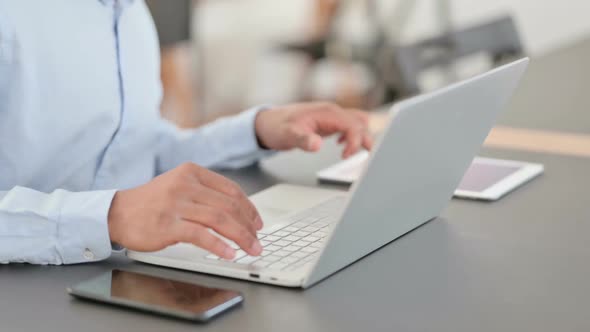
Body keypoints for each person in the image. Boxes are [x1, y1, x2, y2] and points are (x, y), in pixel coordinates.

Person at [0, 0, 372, 265]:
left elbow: (138, 146)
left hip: (115, 275)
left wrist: (256, 130)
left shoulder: (131, 16)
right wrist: (110, 216)